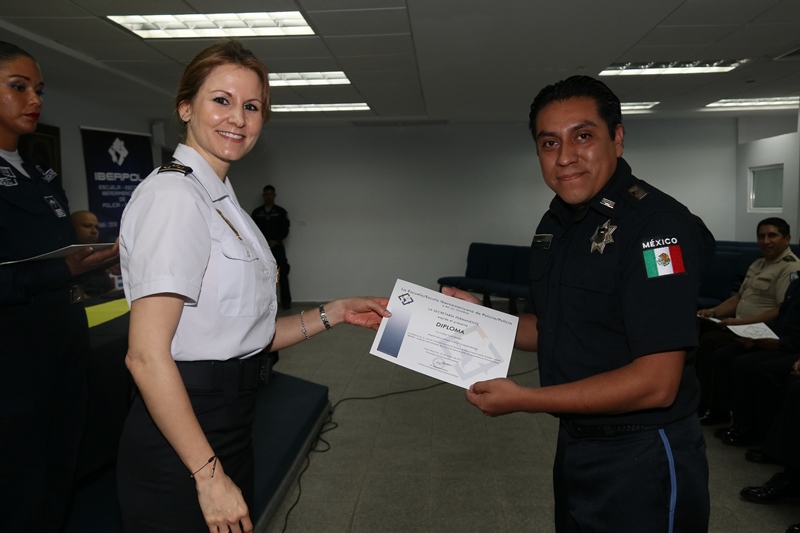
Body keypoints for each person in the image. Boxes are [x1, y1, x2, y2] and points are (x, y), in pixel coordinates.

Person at [117, 40, 389, 533]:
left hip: (231, 421)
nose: (238, 119)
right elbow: (145, 356)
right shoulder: (174, 197)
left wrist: (335, 311)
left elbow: (247, 336)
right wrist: (209, 477)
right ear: (185, 107)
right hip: (184, 437)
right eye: (221, 100)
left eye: (252, 106)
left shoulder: (224, 203)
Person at [444, 75, 713, 532]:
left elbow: (656, 384)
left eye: (583, 136)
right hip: (577, 442)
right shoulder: (558, 224)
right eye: (549, 143)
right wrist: (477, 318)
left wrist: (526, 400)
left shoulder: (656, 228)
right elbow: (552, 327)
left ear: (617, 138)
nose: (565, 156)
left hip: (645, 452)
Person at [0, 41, 119, 532]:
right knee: (18, 486)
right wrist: (61, 271)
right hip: (13, 359)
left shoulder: (40, 172)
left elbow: (58, 253)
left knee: (58, 472)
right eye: (18, 87)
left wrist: (95, 264)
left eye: (39, 90)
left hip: (64, 346)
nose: (35, 100)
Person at [696, 218, 800, 424]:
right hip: (741, 326)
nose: (766, 241)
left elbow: (781, 310)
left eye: (772, 235)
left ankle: (714, 408)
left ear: (787, 239)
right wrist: (713, 312)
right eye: (761, 236)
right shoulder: (758, 263)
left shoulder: (790, 268)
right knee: (701, 328)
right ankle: (707, 403)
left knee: (711, 343)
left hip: (762, 329)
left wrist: (743, 324)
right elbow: (738, 298)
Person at [251, 184, 291, 309]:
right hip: (262, 249)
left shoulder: (280, 212)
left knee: (281, 275)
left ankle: (286, 303)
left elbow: (285, 229)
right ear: (263, 196)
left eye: (271, 194)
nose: (268, 196)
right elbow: (252, 230)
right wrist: (263, 243)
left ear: (274, 195)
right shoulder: (257, 213)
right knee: (262, 275)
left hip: (277, 248)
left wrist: (276, 241)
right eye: (266, 194)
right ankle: (263, 304)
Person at [71, 209, 117, 297]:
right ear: (71, 228)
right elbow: (77, 298)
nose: (94, 231)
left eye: (97, 228)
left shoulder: (96, 257)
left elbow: (110, 290)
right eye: (87, 226)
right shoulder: (62, 261)